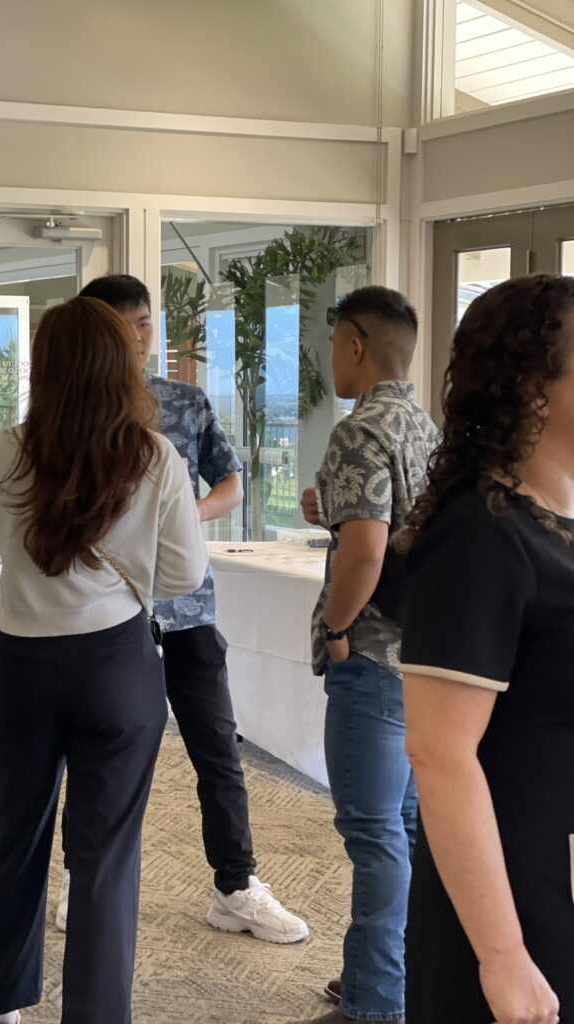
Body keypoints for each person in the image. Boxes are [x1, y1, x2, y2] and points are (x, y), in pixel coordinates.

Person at [0, 296, 207, 1024]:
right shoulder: (154, 456)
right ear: (120, 366)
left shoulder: (2, 451)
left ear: (44, 368)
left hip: (24, 666)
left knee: (12, 834)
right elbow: (184, 575)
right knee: (104, 861)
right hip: (116, 663)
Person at [52, 273, 308, 944]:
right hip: (105, 615)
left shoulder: (185, 403)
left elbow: (232, 483)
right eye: (129, 323)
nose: (143, 336)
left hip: (188, 609)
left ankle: (236, 885)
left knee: (217, 749)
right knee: (98, 754)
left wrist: (181, 516)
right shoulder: (69, 412)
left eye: (147, 322)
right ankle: (82, 875)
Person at [399, 274, 573, 1024]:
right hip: (514, 893)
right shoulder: (482, 537)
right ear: (534, 389)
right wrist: (503, 957)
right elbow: (439, 753)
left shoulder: (555, 524)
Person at [297, 286, 438, 1024]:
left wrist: (336, 629)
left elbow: (365, 553)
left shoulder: (359, 431)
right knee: (404, 831)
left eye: (332, 346)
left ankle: (375, 1005)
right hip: (422, 660)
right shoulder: (426, 427)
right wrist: (332, 505)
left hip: (374, 658)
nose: (331, 360)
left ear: (356, 346)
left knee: (374, 835)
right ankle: (390, 979)